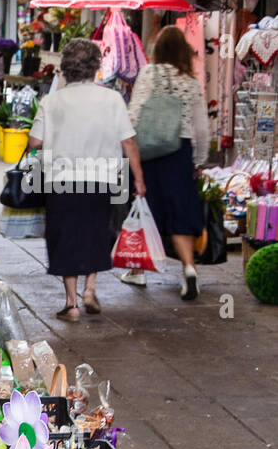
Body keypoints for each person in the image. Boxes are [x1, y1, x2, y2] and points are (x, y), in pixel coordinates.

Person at [27, 38, 146, 322]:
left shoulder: (51, 101)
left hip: (61, 180)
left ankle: (71, 304)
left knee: (66, 236)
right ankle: (90, 291)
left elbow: (34, 141)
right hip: (102, 179)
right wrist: (139, 180)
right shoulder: (112, 99)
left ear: (65, 68)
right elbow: (128, 142)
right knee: (95, 232)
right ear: (95, 67)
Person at [127, 26, 210, 300]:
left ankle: (138, 270)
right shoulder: (191, 82)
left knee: (146, 208)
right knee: (180, 210)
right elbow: (201, 128)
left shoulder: (149, 73)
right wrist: (198, 161)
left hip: (150, 151)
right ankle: (188, 269)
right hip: (180, 152)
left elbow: (134, 112)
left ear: (158, 50)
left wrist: (128, 147)